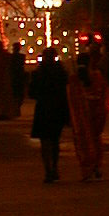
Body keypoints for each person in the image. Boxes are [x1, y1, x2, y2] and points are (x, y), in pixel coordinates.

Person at [29, 46, 71, 183]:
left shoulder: (38, 73)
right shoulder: (61, 73)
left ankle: (48, 169)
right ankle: (54, 167)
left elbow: (32, 93)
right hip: (57, 109)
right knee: (54, 141)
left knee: (45, 141)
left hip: (43, 109)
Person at [68, 45, 109, 181]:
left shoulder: (74, 80)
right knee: (96, 140)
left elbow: (71, 99)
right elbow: (104, 94)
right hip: (95, 114)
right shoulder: (97, 77)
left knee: (83, 141)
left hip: (81, 117)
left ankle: (86, 168)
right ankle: (96, 165)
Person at [9, 42, 26, 117]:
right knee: (18, 95)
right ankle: (16, 110)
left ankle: (15, 110)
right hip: (18, 76)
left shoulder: (10, 57)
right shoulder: (21, 57)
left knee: (15, 95)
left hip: (14, 76)